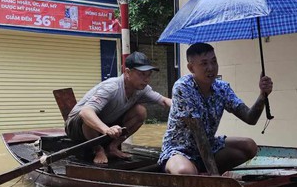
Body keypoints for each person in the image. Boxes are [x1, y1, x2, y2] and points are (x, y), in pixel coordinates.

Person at [160, 42, 273, 175]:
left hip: (209, 145)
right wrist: (215, 178)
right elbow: (199, 135)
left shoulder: (222, 88)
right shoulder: (183, 88)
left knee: (249, 146)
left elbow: (250, 118)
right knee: (185, 172)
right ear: (191, 68)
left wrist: (262, 95)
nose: (211, 68)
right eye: (204, 64)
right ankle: (203, 175)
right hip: (180, 150)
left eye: (214, 61)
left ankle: (203, 174)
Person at [66, 51, 172, 164]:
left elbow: (164, 101)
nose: (146, 79)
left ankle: (112, 147)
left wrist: (183, 105)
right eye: (141, 74)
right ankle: (98, 150)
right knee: (90, 116)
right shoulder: (112, 87)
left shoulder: (142, 89)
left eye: (149, 75)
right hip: (76, 126)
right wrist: (106, 130)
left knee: (140, 111)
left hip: (105, 124)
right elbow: (85, 112)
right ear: (127, 72)